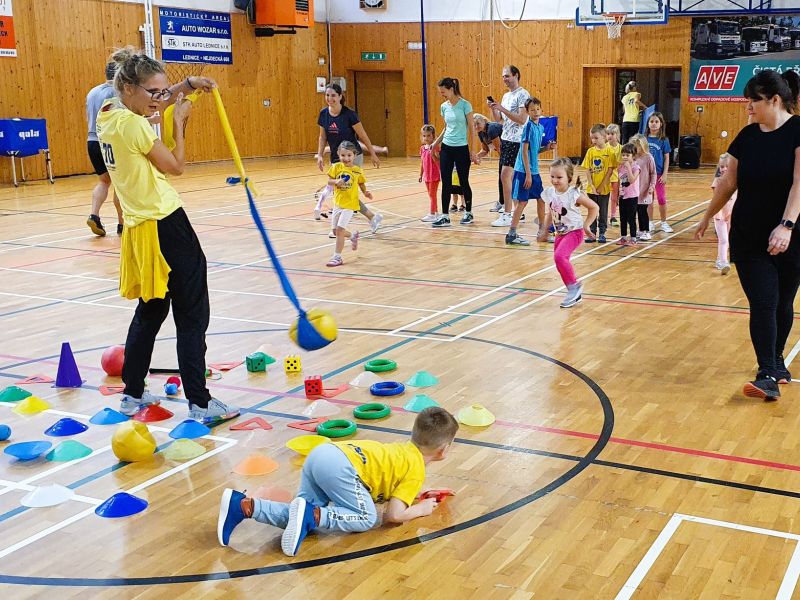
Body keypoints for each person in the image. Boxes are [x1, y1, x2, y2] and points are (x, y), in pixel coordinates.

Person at [96, 47, 239, 424]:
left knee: (152, 308)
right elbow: (176, 166)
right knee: (192, 314)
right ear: (128, 88)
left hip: (140, 229)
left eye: (164, 92)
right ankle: (201, 402)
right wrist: (179, 120)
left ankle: (133, 392)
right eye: (154, 93)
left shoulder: (107, 114)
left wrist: (184, 86)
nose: (160, 99)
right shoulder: (136, 126)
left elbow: (152, 100)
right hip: (166, 223)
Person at [217, 406, 460, 556]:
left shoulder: (403, 451)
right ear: (444, 449)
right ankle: (312, 514)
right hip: (341, 467)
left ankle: (245, 507)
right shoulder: (416, 468)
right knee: (367, 518)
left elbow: (392, 478)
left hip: (323, 455)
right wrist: (420, 509)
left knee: (298, 519)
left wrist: (419, 492)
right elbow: (393, 516)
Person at [695, 69, 800, 400]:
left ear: (774, 100)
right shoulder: (747, 136)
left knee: (784, 301)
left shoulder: (798, 131)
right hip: (750, 234)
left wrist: (786, 226)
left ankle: (777, 362)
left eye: (752, 102)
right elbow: (728, 182)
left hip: (792, 235)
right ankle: (767, 370)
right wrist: (706, 216)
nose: (747, 108)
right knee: (764, 300)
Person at [316, 83, 383, 235]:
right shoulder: (323, 114)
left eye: (333, 95)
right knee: (341, 192)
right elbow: (322, 136)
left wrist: (372, 153)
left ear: (340, 96)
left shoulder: (349, 114)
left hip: (353, 157)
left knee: (348, 192)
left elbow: (363, 135)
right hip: (336, 157)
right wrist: (320, 155)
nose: (330, 98)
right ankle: (366, 219)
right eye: (327, 95)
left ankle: (343, 227)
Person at [538, 158, 599, 308]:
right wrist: (544, 230)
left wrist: (586, 226)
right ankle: (572, 290)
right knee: (558, 261)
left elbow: (594, 207)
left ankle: (574, 288)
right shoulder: (550, 193)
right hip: (560, 233)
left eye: (559, 177)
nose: (555, 180)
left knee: (560, 257)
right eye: (552, 176)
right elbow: (549, 213)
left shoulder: (573, 194)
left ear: (569, 178)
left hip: (575, 232)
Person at [506, 98, 555, 246]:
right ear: (527, 112)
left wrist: (546, 149)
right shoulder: (528, 127)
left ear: (541, 110)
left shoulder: (540, 128)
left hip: (534, 171)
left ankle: (542, 232)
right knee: (522, 202)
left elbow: (534, 151)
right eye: (532, 110)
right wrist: (527, 173)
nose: (535, 112)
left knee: (541, 199)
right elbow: (524, 152)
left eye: (537, 109)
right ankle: (512, 234)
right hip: (523, 171)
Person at [430, 77, 478, 227]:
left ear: (451, 89)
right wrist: (435, 143)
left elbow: (471, 128)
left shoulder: (465, 105)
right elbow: (446, 128)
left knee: (463, 181)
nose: (442, 95)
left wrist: (473, 150)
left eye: (444, 92)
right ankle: (445, 216)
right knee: (446, 182)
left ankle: (468, 212)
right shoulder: (444, 106)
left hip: (461, 148)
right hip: (447, 148)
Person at [86, 61, 124, 237]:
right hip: (109, 141)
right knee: (119, 181)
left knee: (104, 181)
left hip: (92, 140)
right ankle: (122, 224)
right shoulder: (116, 93)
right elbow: (119, 120)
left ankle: (94, 215)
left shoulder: (92, 92)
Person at [489, 66, 530, 227]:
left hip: (517, 140)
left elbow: (521, 119)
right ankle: (515, 211)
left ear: (516, 75)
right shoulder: (506, 95)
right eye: (503, 76)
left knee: (506, 176)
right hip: (505, 139)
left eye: (507, 76)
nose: (505, 79)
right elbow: (500, 120)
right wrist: (494, 109)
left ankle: (507, 214)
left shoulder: (523, 94)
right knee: (507, 177)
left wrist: (502, 108)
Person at [326, 141, 370, 267]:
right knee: (335, 231)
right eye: (343, 155)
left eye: (349, 155)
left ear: (354, 155)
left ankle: (337, 257)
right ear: (339, 154)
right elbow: (329, 181)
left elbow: (361, 183)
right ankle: (352, 236)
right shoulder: (336, 167)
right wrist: (335, 182)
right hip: (338, 204)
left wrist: (366, 192)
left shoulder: (357, 171)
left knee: (340, 230)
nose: (346, 158)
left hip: (350, 205)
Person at [581, 124, 617, 243]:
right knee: (592, 211)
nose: (593, 140)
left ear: (604, 137)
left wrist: (602, 185)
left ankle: (602, 232)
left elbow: (610, 170)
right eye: (592, 138)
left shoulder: (610, 151)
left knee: (602, 211)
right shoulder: (590, 152)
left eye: (596, 138)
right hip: (591, 189)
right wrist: (591, 185)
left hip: (604, 189)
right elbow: (587, 169)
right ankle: (592, 233)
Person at [646, 112, 673, 233]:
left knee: (661, 198)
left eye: (656, 121)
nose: (654, 124)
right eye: (651, 121)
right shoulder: (643, 139)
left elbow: (667, 157)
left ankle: (663, 222)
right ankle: (650, 222)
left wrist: (665, 173)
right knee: (648, 199)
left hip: (659, 174)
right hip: (646, 175)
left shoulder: (663, 140)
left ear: (661, 124)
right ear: (648, 123)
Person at [711, 153, 737, 274]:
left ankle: (720, 259)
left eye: (727, 166)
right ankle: (722, 261)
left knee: (730, 239)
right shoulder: (718, 181)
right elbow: (718, 199)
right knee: (724, 239)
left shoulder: (736, 180)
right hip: (720, 215)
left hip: (731, 214)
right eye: (721, 166)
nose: (724, 169)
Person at [473, 113, 504, 212]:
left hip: (510, 152)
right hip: (504, 154)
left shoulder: (492, 128)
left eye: (478, 123)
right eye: (474, 125)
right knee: (501, 179)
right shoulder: (481, 133)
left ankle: (506, 204)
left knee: (504, 178)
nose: (476, 126)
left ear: (484, 121)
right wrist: (475, 157)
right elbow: (485, 150)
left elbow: (499, 148)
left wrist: (505, 163)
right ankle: (502, 203)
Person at [630, 134, 656, 241]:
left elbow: (653, 173)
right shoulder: (632, 158)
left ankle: (645, 231)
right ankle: (639, 230)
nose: (636, 149)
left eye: (638, 146)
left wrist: (652, 186)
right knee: (634, 211)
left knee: (642, 212)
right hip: (634, 191)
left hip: (644, 191)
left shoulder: (648, 157)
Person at [616, 143, 641, 246]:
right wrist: (618, 193)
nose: (625, 157)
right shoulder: (621, 167)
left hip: (632, 196)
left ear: (633, 156)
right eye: (623, 155)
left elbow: (631, 180)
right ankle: (623, 237)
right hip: (623, 195)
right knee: (623, 218)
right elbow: (619, 180)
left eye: (628, 155)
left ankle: (633, 238)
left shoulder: (636, 167)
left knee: (631, 218)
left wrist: (628, 168)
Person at [419, 124, 441, 222]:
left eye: (428, 136)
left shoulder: (435, 147)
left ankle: (432, 214)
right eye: (424, 136)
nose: (426, 138)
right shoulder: (423, 148)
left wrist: (433, 153)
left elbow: (438, 161)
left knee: (432, 195)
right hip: (426, 176)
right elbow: (422, 163)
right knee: (430, 194)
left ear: (433, 136)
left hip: (434, 175)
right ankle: (435, 212)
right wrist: (420, 174)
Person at [606, 124, 622, 226]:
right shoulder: (604, 147)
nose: (609, 136)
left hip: (616, 177)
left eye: (612, 134)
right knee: (603, 198)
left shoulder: (621, 148)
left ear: (617, 135)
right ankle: (601, 215)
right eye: (608, 134)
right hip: (605, 177)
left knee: (615, 197)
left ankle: (613, 216)